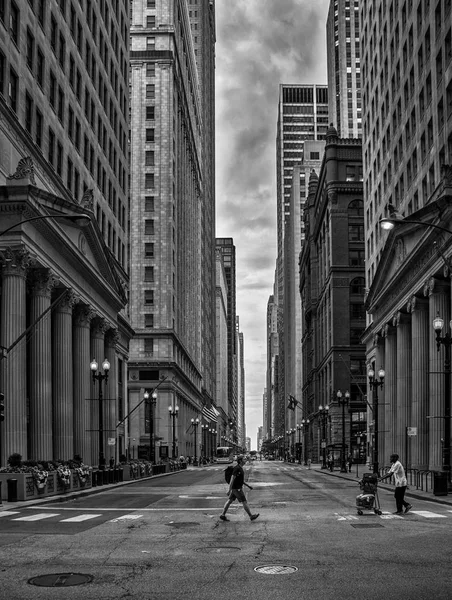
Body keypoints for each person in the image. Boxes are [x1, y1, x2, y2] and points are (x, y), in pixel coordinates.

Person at [220, 455, 259, 522]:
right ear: (240, 461)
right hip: (237, 489)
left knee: (229, 501)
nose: (245, 460)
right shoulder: (237, 468)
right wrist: (229, 490)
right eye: (244, 459)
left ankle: (222, 515)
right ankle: (251, 516)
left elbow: (240, 480)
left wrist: (247, 485)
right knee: (244, 501)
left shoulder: (240, 468)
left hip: (235, 488)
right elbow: (232, 479)